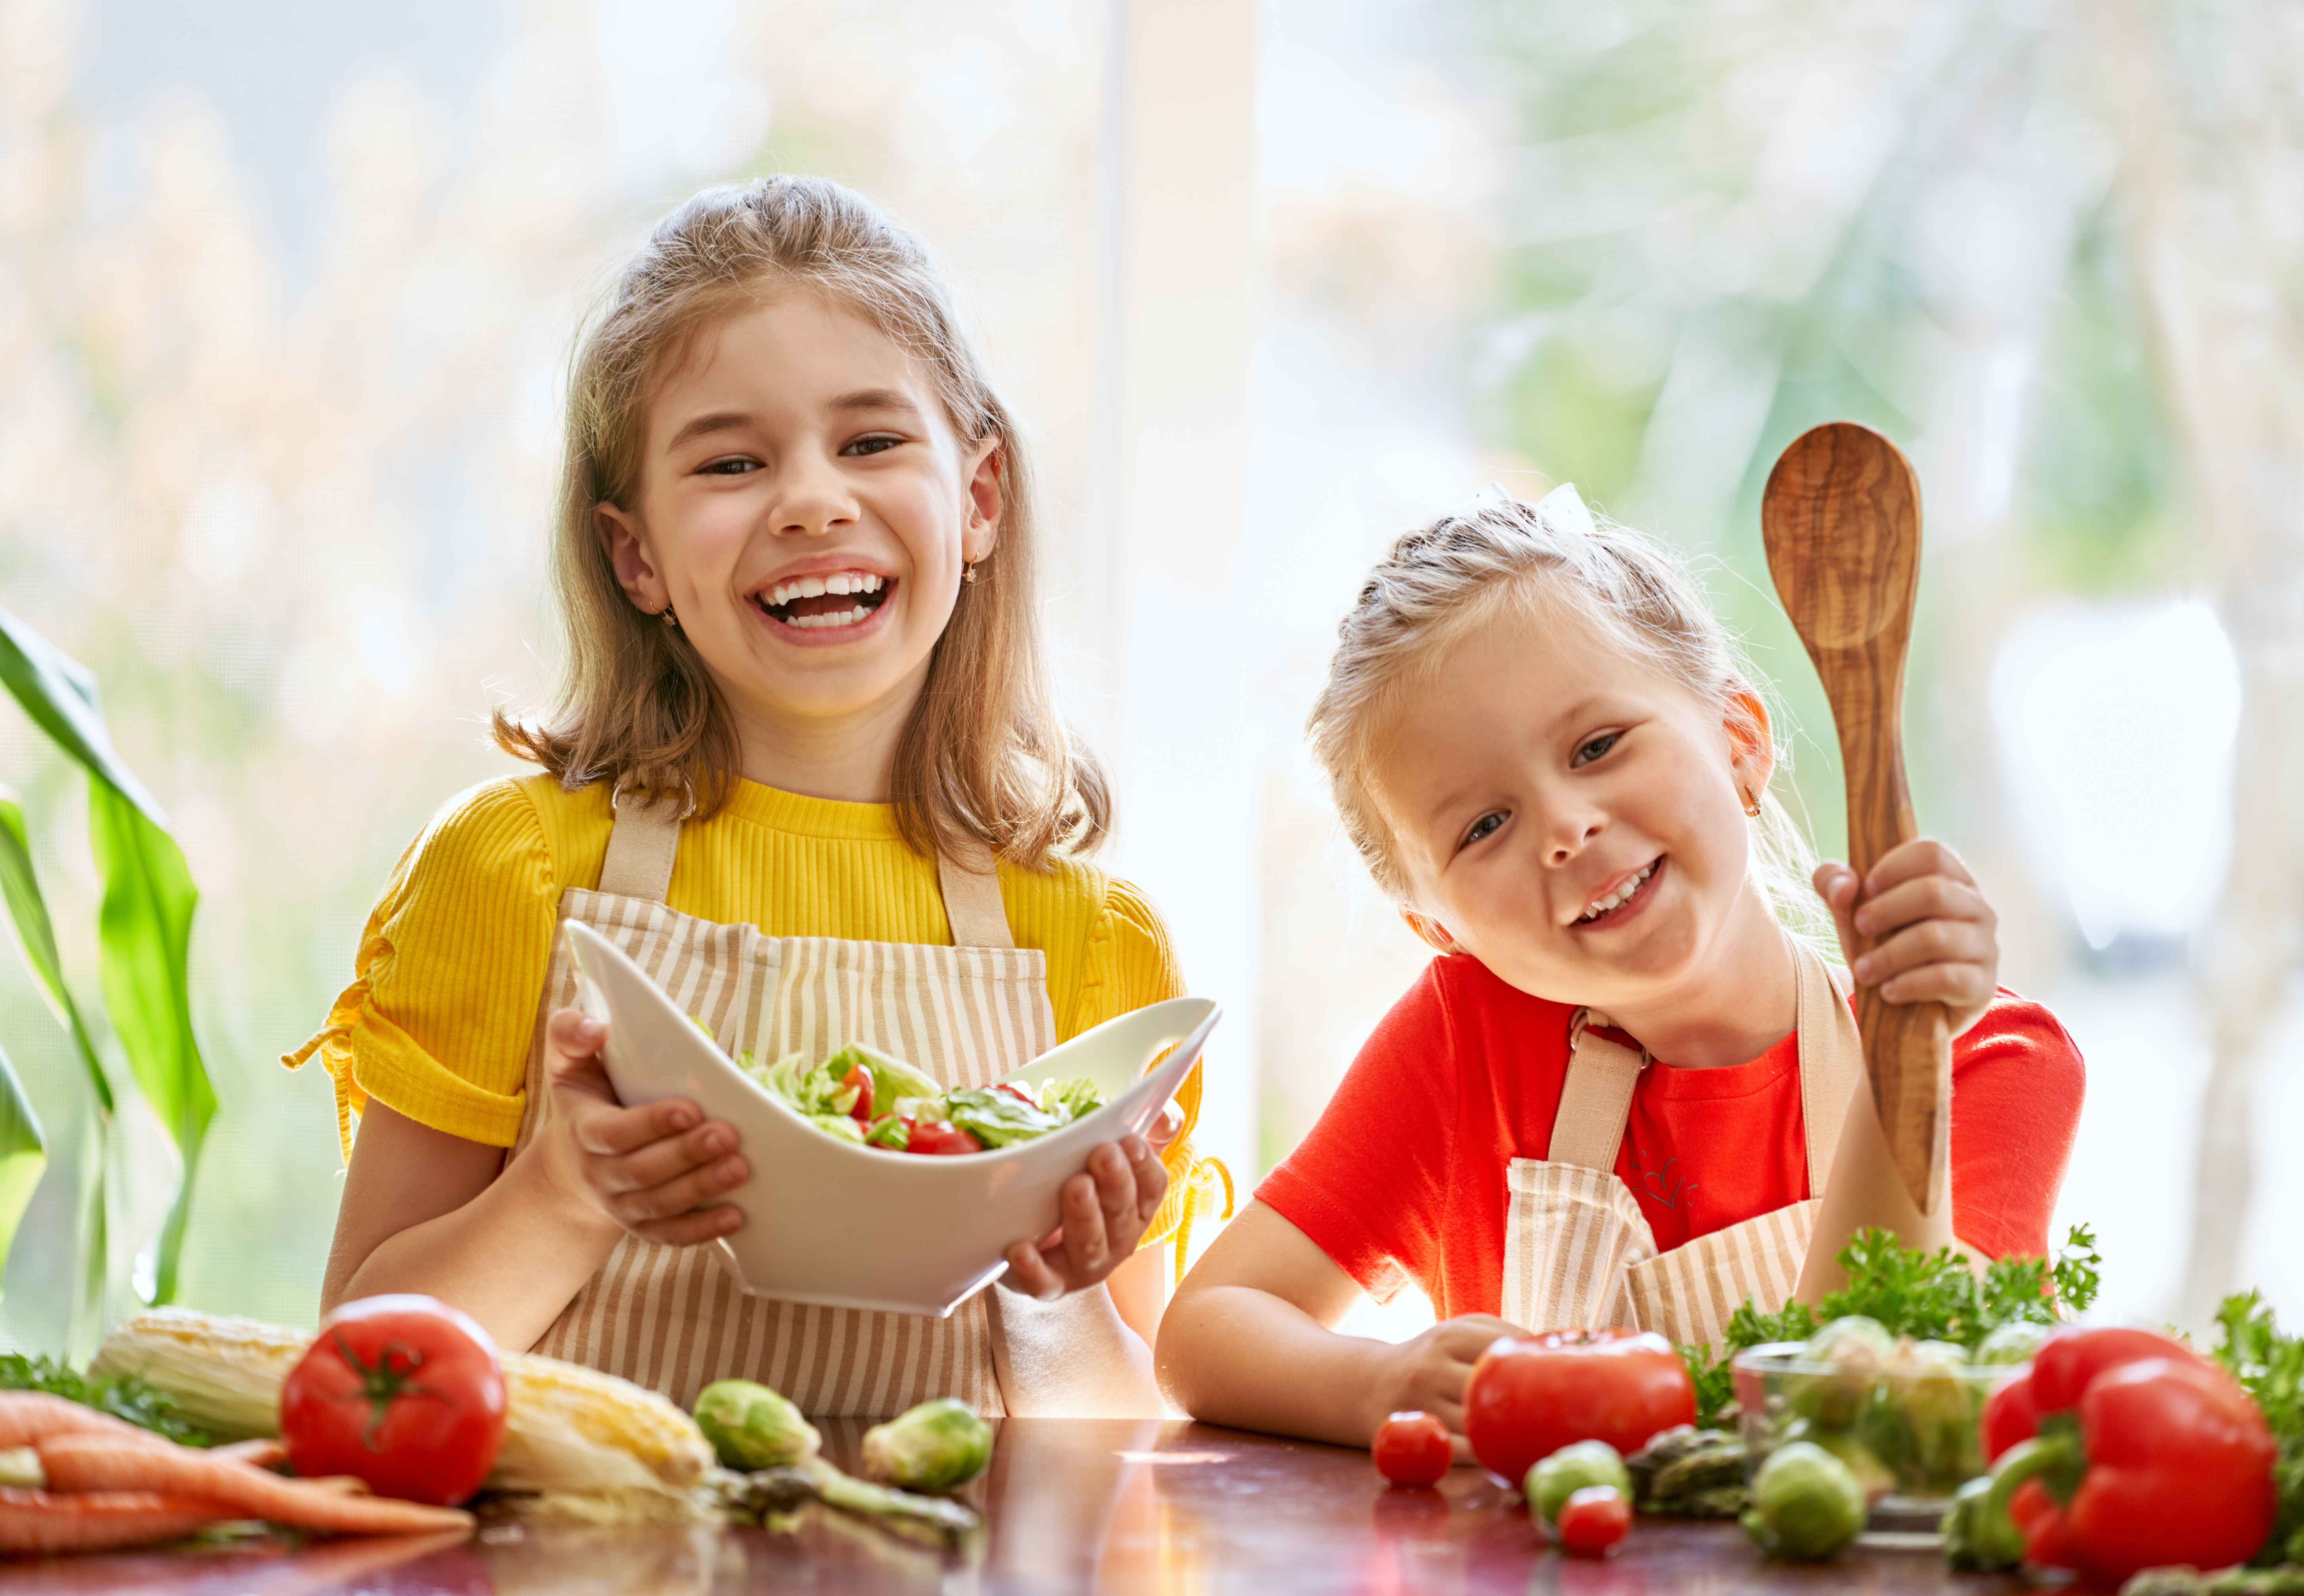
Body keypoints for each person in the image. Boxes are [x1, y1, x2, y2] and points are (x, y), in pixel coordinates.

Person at [290, 175, 1209, 1418]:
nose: (812, 498)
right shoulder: (509, 867)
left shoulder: (1095, 943)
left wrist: (1062, 1285)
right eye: (732, 460)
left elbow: (1118, 1452)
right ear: (638, 557)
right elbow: (360, 1378)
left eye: (872, 441)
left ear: (979, 500)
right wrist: (562, 1192)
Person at [1156, 489, 2084, 1445]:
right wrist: (1377, 1380)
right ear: (1439, 928)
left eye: (1598, 745)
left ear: (1741, 743)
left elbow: (1870, 1422)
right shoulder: (1463, 1042)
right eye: (1484, 825)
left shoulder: (1989, 1056)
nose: (1565, 827)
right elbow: (1204, 1330)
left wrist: (1905, 1053)